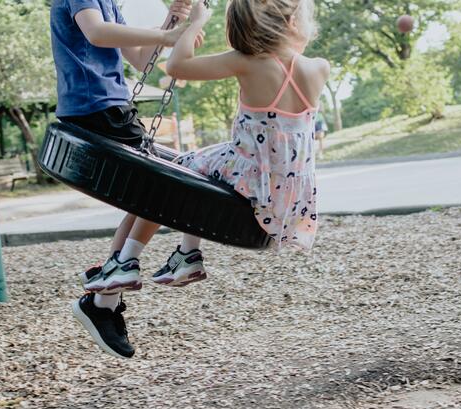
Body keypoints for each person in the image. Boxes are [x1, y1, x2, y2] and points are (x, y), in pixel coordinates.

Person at [74, 0, 330, 359]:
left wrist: (194, 23)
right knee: (197, 172)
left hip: (247, 174)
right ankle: (185, 253)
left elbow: (176, 66)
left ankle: (131, 259)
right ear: (291, 22)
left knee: (176, 174)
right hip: (287, 197)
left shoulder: (246, 62)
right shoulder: (319, 68)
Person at [51, 0, 202, 359]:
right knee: (168, 183)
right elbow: (96, 33)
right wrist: (168, 34)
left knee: (150, 195)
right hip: (96, 109)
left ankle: (105, 299)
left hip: (111, 108)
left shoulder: (110, 4)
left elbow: (141, 59)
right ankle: (181, 255)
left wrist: (174, 22)